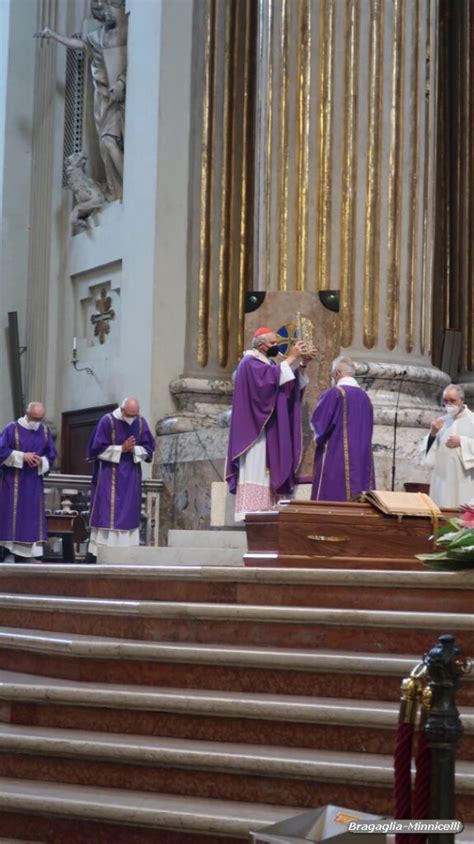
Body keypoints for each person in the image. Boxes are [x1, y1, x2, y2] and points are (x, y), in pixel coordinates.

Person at [35, 0, 127, 201]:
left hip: (115, 98)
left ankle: (127, 183)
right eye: (105, 8)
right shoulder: (97, 37)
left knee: (109, 141)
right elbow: (79, 44)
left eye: (113, 7)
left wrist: (121, 82)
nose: (107, 12)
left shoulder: (125, 33)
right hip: (101, 97)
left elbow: (128, 65)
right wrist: (53, 35)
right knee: (104, 146)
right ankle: (115, 188)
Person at [226, 327, 313, 520]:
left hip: (268, 428)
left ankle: (266, 511)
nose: (276, 347)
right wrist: (291, 357)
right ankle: (251, 513)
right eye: (273, 343)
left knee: (268, 470)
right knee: (257, 468)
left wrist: (302, 364)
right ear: (260, 345)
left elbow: (284, 388)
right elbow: (266, 383)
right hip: (255, 431)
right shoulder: (249, 363)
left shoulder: (268, 363)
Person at [86, 397, 155, 561]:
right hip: (109, 475)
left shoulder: (140, 421)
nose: (132, 418)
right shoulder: (107, 421)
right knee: (108, 514)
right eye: (129, 415)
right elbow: (95, 450)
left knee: (128, 513)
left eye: (135, 414)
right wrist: (121, 449)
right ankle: (101, 555)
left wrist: (134, 450)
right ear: (122, 410)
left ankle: (127, 555)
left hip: (131, 476)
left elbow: (149, 448)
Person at [310, 355, 374, 501]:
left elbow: (320, 424)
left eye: (332, 374)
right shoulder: (365, 398)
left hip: (336, 457)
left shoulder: (335, 393)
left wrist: (318, 439)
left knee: (334, 497)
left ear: (337, 373)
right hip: (362, 459)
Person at [0, 402, 56, 562]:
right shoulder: (12, 429)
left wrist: (42, 461)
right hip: (14, 481)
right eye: (34, 418)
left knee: (32, 518)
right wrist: (22, 456)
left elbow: (51, 454)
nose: (36, 422)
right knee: (13, 516)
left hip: (33, 482)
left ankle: (31, 555)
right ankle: (10, 553)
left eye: (40, 418)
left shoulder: (44, 431)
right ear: (27, 413)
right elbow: (1, 450)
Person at [420, 384, 474, 507]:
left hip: (463, 479)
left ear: (462, 400)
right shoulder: (441, 421)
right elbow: (428, 455)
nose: (448, 404)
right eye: (445, 401)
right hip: (441, 478)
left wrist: (462, 441)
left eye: (452, 401)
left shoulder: (472, 420)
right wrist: (433, 433)